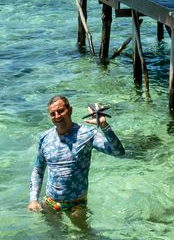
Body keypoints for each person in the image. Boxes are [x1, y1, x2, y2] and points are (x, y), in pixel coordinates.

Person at [28, 95, 124, 224]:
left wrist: (104, 125)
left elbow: (118, 152)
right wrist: (33, 199)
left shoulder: (87, 134)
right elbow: (38, 170)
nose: (57, 116)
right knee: (55, 238)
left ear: (70, 110)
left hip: (77, 204)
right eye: (53, 114)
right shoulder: (45, 138)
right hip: (50, 202)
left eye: (61, 111)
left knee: (83, 238)